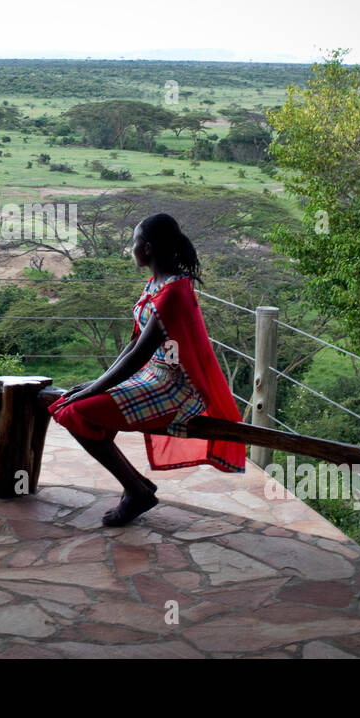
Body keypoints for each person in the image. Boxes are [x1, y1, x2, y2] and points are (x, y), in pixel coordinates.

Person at [49, 213, 246, 526]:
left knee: (76, 412)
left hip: (175, 389)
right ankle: (138, 487)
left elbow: (138, 355)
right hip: (152, 378)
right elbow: (133, 345)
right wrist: (95, 383)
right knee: (70, 405)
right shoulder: (158, 283)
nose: (131, 249)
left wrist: (92, 389)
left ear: (149, 248)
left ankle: (136, 490)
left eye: (135, 242)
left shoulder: (172, 294)